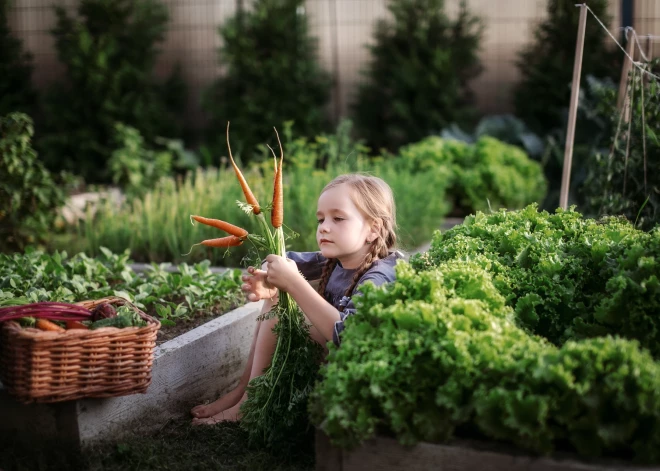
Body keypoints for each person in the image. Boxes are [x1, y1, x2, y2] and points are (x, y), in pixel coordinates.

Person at [190, 173, 402, 425]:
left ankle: (248, 403)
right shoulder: (334, 259)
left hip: (356, 372)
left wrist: (293, 283)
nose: (324, 227)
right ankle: (243, 391)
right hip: (330, 358)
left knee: (283, 308)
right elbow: (285, 259)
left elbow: (349, 336)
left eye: (338, 218)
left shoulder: (381, 275)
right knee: (276, 301)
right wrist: (268, 280)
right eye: (321, 219)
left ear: (374, 229)